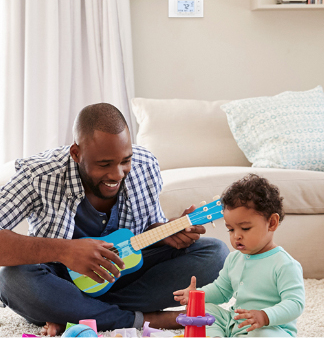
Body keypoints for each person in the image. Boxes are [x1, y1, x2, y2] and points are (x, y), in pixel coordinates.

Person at [0, 103, 229, 337]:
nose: (117, 174)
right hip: (59, 281)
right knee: (12, 279)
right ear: (76, 153)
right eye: (104, 164)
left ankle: (75, 313)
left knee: (215, 253)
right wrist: (64, 251)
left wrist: (166, 233)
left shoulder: (144, 165)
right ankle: (142, 319)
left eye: (124, 161)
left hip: (121, 277)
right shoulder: (39, 175)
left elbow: (145, 234)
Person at [174, 174, 305, 337]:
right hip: (234, 321)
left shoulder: (284, 264)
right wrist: (197, 296)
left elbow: (295, 304)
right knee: (204, 311)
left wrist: (264, 316)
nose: (236, 236)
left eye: (245, 228)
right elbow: (221, 290)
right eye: (231, 229)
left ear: (272, 223)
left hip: (270, 328)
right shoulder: (234, 259)